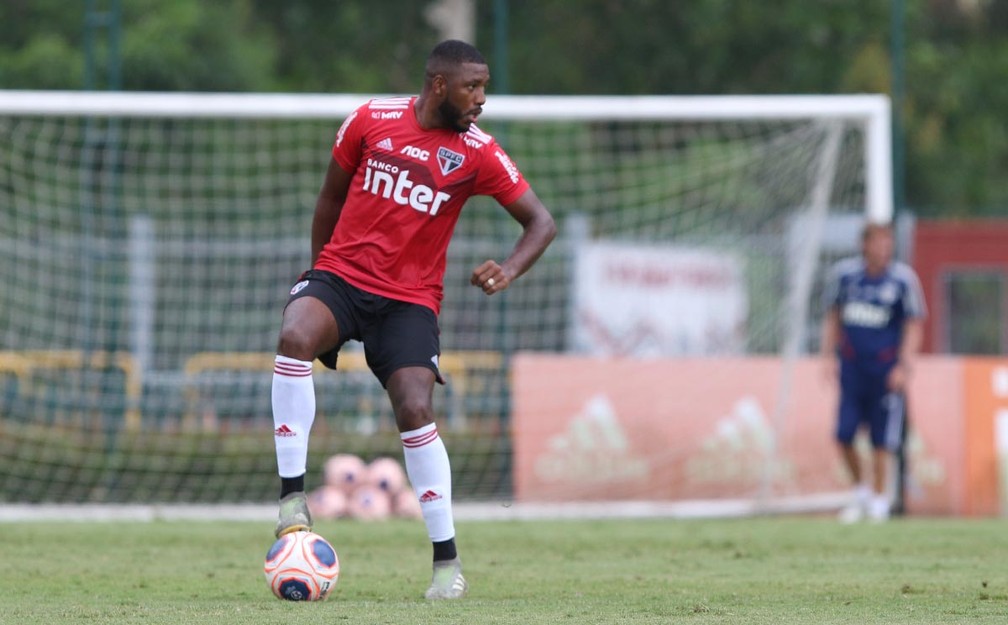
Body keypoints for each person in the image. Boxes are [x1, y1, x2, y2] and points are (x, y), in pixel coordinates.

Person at [269, 39, 556, 600]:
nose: (481, 99)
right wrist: (317, 275)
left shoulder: (478, 151)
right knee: (294, 333)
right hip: (342, 278)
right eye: (473, 87)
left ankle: (447, 567)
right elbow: (329, 200)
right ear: (439, 85)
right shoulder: (370, 120)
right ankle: (291, 499)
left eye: (485, 87)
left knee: (416, 406)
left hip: (410, 300)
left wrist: (511, 269)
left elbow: (540, 222)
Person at [820, 222, 926, 523]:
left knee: (882, 440)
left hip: (885, 370)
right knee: (843, 435)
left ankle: (880, 500)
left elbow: (913, 324)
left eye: (888, 243)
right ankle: (861, 492)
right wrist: (827, 356)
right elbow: (833, 317)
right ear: (864, 245)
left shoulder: (903, 281)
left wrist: (904, 365)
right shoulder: (845, 277)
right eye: (878, 242)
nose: (884, 249)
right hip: (852, 369)